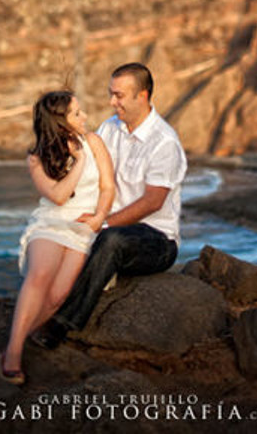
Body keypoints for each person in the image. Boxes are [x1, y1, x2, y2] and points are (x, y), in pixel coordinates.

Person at [33, 62, 187, 349]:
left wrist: (103, 221)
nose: (111, 102)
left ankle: (62, 325)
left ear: (142, 96)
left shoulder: (164, 142)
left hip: (156, 240)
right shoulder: (109, 128)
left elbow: (153, 202)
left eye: (119, 96)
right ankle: (36, 309)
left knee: (111, 239)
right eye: (111, 94)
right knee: (53, 235)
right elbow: (89, 172)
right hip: (108, 225)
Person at [0, 90, 114, 384]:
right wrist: (77, 163)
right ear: (59, 122)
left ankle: (24, 334)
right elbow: (59, 197)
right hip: (51, 222)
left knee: (59, 295)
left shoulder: (95, 142)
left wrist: (100, 216)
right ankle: (12, 353)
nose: (85, 117)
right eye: (77, 113)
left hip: (85, 227)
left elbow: (108, 186)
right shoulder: (36, 158)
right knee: (41, 274)